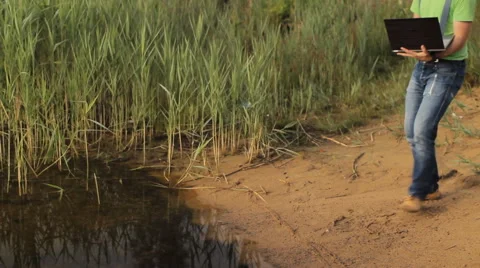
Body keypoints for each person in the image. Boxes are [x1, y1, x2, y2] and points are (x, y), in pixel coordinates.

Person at [397, 0, 477, 212]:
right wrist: (413, 48)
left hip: (448, 69)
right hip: (421, 68)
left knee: (422, 130)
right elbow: (416, 26)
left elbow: (460, 38)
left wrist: (435, 55)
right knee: (411, 130)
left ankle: (418, 192)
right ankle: (431, 187)